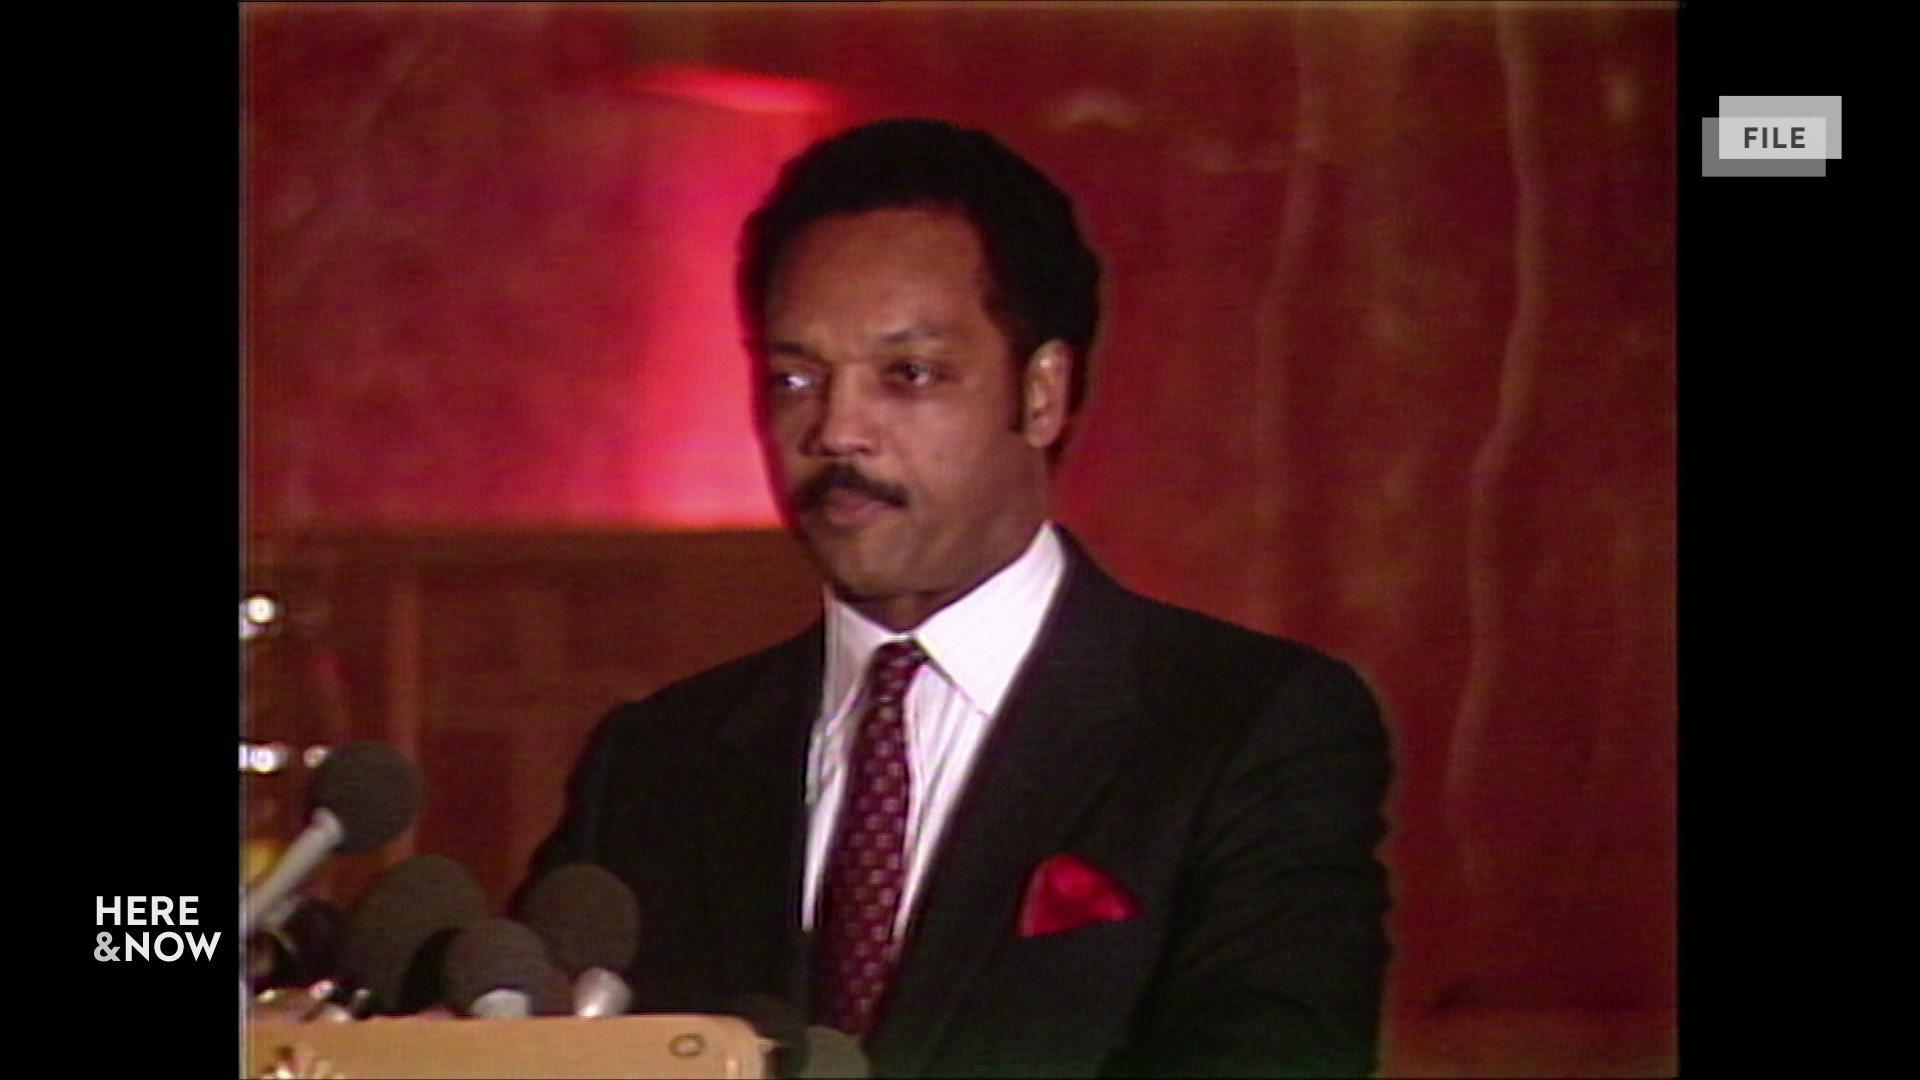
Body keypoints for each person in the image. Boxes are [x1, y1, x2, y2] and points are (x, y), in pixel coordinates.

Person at [529, 118, 1391, 1078]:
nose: (838, 430)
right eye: (794, 376)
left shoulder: (1247, 729)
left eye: (910, 376)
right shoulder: (653, 766)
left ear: (1041, 392)